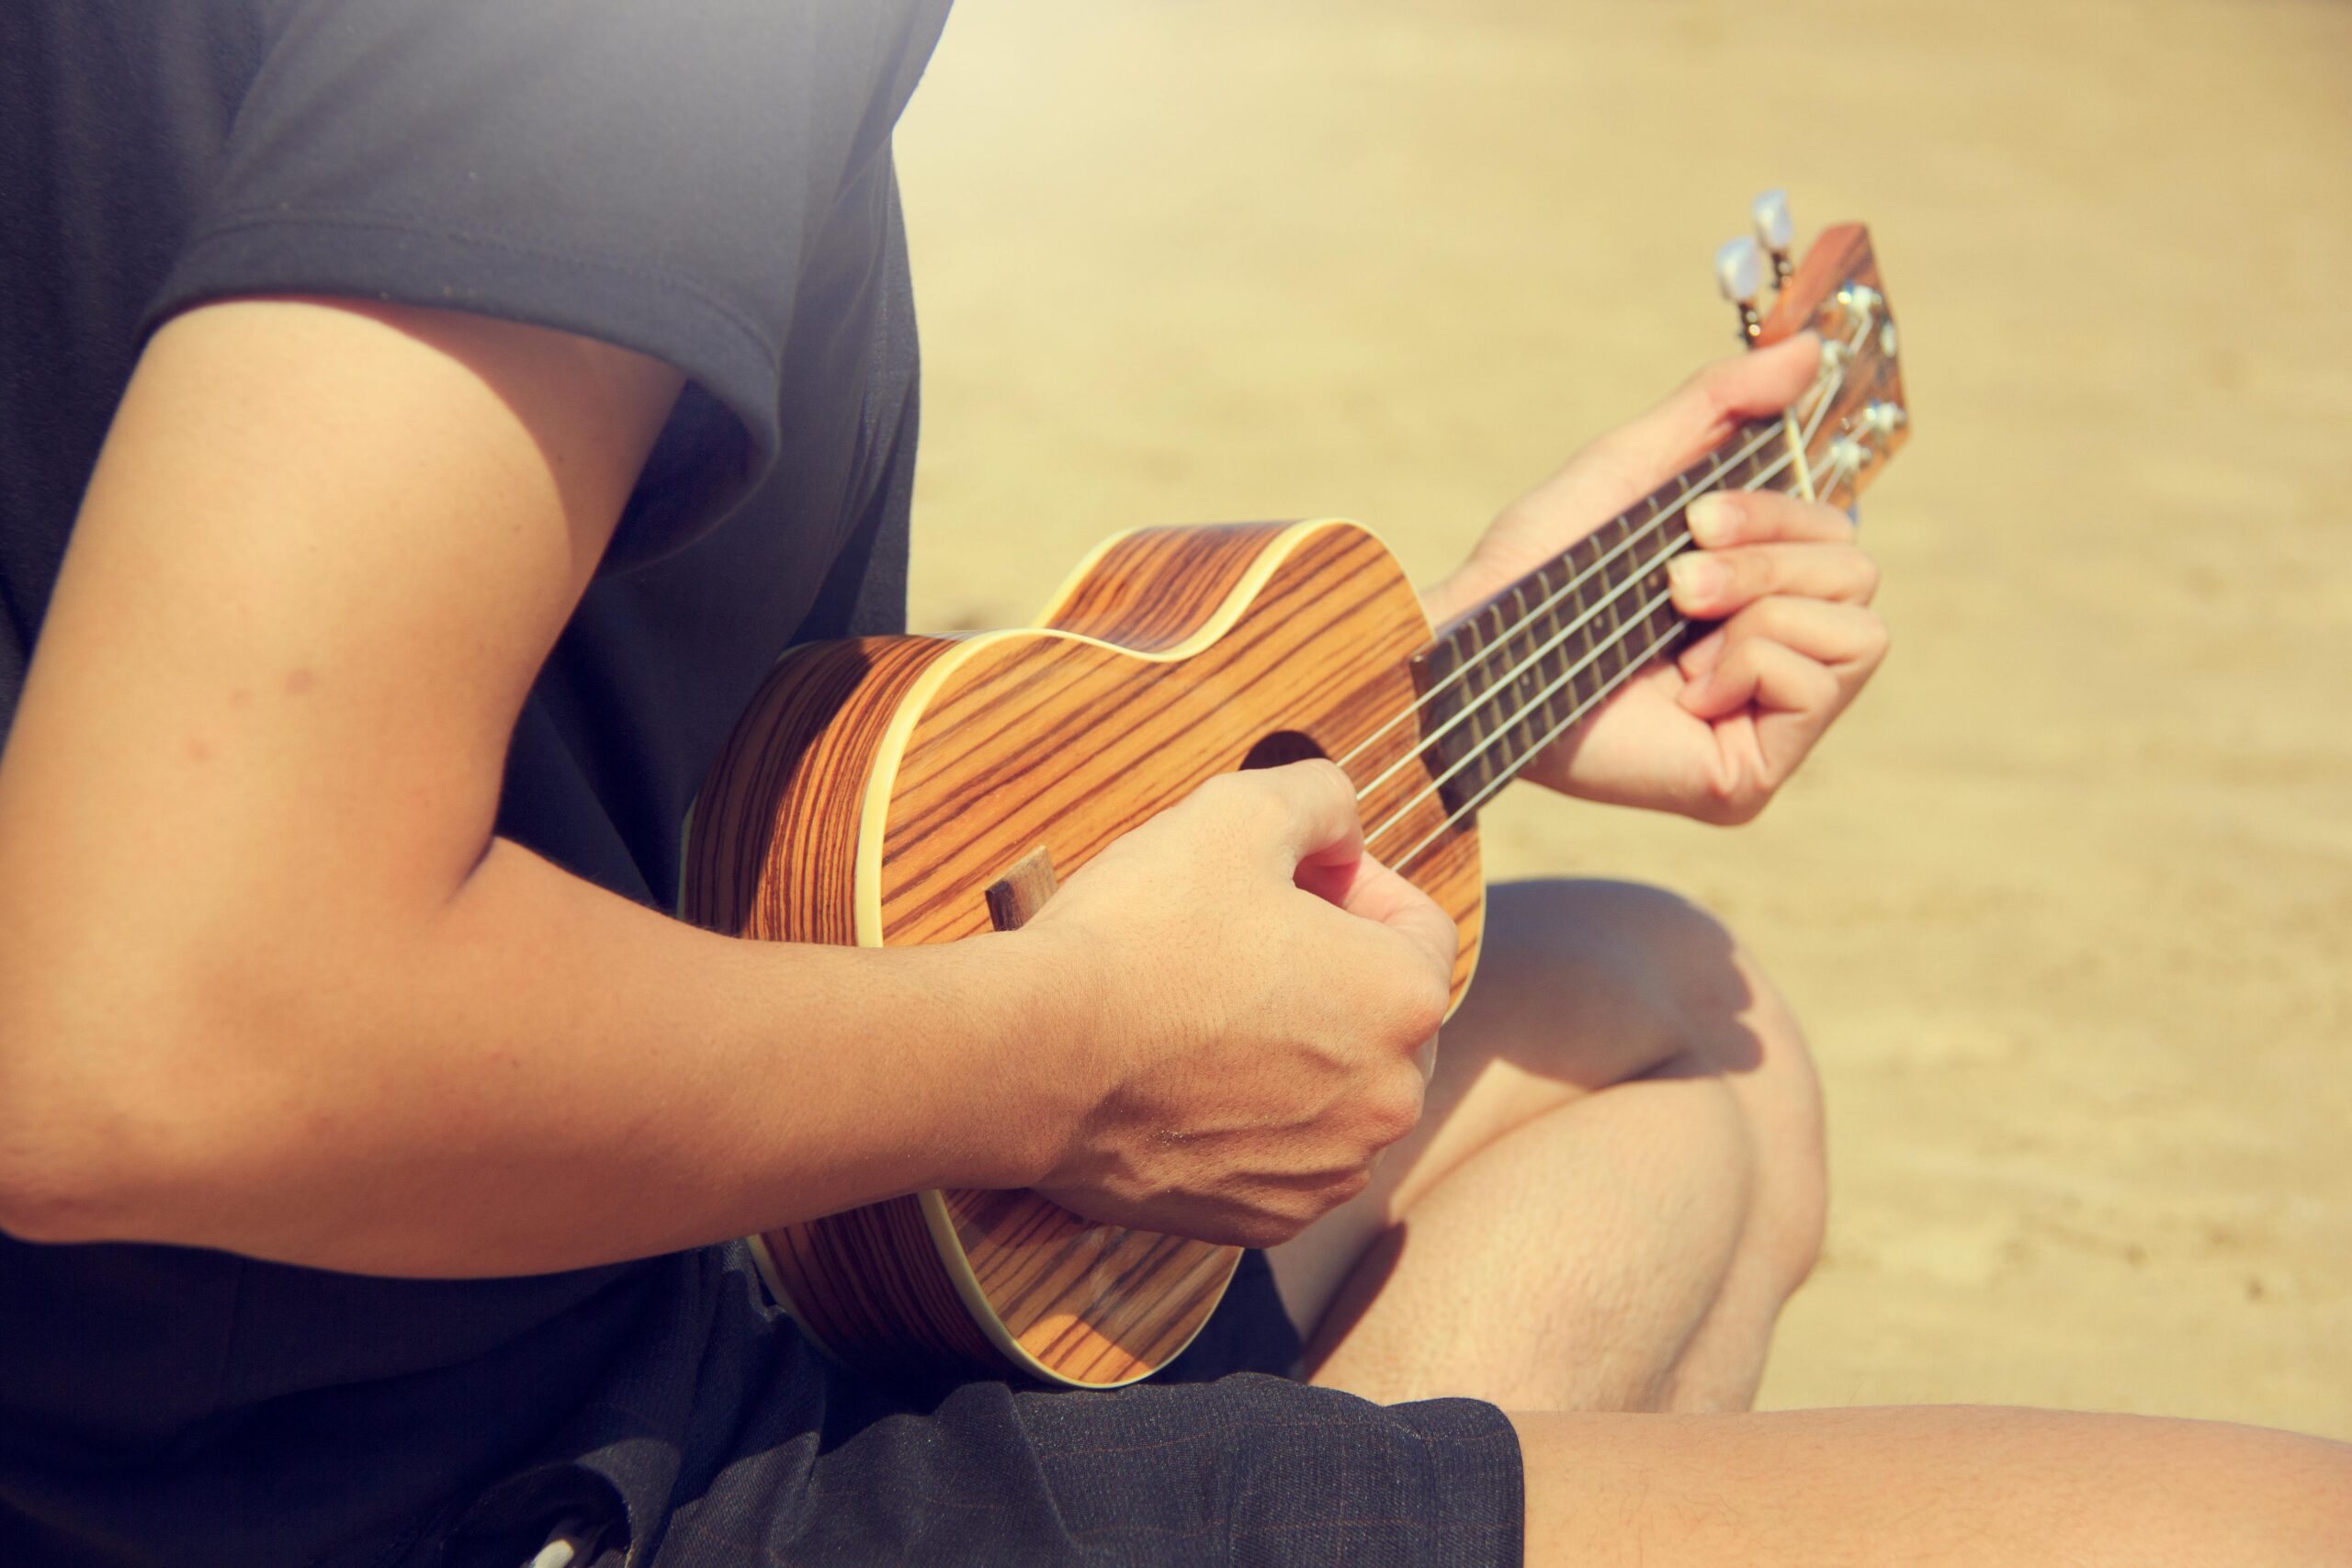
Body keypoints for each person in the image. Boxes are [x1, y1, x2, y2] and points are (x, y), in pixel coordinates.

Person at [0, 5, 2343, 1566]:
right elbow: (143, 1023)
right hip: (451, 1472)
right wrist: (1078, 1061)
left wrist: (1436, 697)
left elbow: (449, 723)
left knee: (1651, 1013)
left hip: (266, 1357)